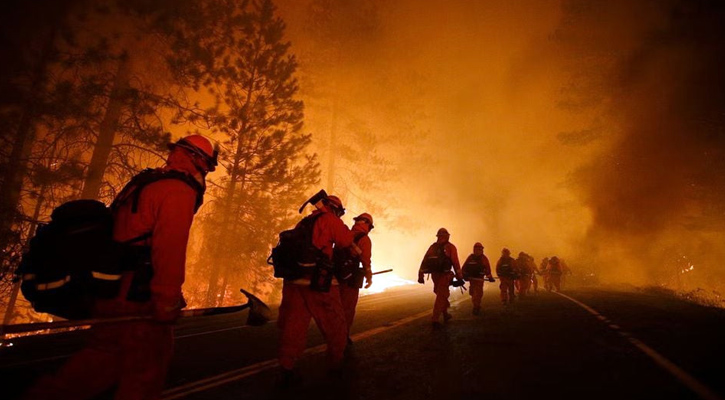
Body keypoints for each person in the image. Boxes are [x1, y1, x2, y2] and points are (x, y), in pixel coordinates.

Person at [23, 134, 217, 400]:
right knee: (145, 373)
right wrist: (166, 302)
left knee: (96, 365)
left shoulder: (147, 182)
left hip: (112, 291)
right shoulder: (178, 191)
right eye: (207, 165)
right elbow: (168, 250)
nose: (206, 172)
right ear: (197, 159)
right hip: (139, 301)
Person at [277, 194, 354, 385]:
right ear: (335, 209)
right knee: (335, 321)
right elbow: (345, 241)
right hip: (318, 282)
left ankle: (287, 368)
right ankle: (335, 366)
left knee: (293, 326)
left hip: (295, 281)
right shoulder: (330, 220)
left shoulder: (304, 222)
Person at [335, 213, 374, 344]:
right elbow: (366, 261)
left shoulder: (345, 234)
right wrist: (369, 277)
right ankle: (342, 337)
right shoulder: (364, 239)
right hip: (351, 279)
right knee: (347, 308)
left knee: (336, 307)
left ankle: (333, 335)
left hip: (336, 276)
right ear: (367, 224)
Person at [418, 228, 463, 326]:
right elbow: (455, 263)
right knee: (442, 296)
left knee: (440, 294)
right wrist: (460, 277)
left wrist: (420, 275)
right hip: (445, 275)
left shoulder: (433, 247)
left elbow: (424, 260)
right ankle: (435, 319)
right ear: (447, 236)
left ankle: (445, 314)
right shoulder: (451, 247)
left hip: (435, 275)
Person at [461, 242, 493, 315]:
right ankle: (476, 305)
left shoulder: (483, 258)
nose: (479, 250)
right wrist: (464, 275)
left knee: (477, 293)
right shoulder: (471, 257)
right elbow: (464, 267)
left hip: (479, 279)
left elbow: (487, 268)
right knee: (473, 292)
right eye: (478, 249)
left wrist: (489, 276)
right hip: (472, 279)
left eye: (480, 249)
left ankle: (476, 307)